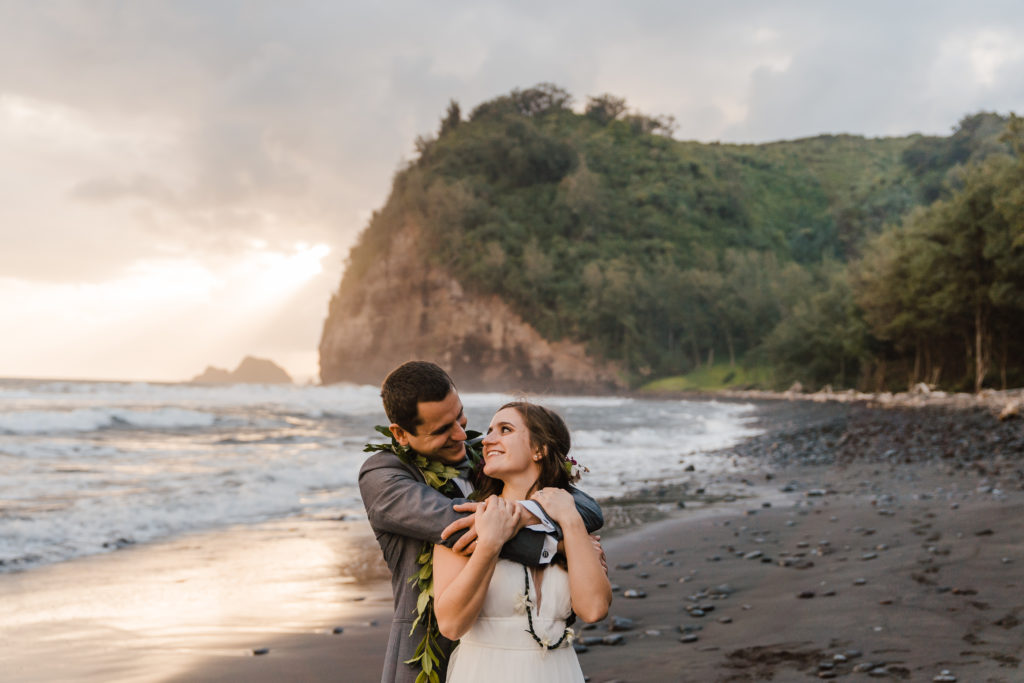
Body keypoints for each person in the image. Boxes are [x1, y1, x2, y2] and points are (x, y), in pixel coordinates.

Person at [359, 361, 604, 683]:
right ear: (401, 434)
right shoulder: (384, 478)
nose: (462, 434)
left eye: (459, 416)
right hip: (430, 650)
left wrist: (540, 513)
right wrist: (557, 546)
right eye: (442, 430)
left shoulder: (485, 456)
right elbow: (463, 524)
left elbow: (584, 505)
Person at [433, 401, 612, 682]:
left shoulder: (572, 523)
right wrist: (490, 544)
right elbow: (452, 625)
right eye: (490, 431)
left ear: (539, 449)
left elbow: (594, 608)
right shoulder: (468, 520)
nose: (488, 439)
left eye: (505, 429)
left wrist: (572, 520)